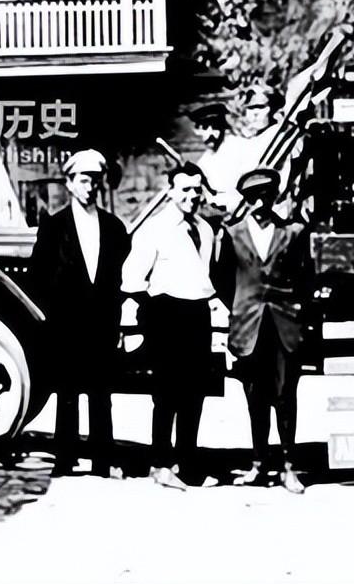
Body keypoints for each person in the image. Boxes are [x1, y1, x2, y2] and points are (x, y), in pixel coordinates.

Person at [123, 161, 227, 490]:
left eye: (197, 189)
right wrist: (150, 314)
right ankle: (160, 464)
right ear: (170, 191)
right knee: (167, 394)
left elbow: (206, 277)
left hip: (197, 314)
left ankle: (189, 465)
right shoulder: (155, 229)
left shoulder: (205, 229)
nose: (192, 196)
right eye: (185, 189)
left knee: (194, 394)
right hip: (165, 313)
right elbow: (131, 278)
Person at [27, 149, 129, 477]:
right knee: (67, 392)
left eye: (95, 182)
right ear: (69, 184)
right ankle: (65, 458)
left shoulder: (114, 228)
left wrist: (118, 323)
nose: (90, 188)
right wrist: (51, 322)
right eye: (84, 181)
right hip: (66, 326)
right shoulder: (54, 228)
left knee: (101, 393)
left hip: (102, 324)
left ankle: (102, 460)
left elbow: (120, 278)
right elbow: (37, 278)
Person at [222, 167, 311, 494]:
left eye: (265, 196)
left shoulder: (293, 232)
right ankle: (258, 463)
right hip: (248, 327)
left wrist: (295, 307)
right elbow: (222, 278)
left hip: (284, 324)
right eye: (252, 198)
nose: (259, 203)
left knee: (286, 395)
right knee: (254, 397)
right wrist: (241, 306)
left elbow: (306, 277)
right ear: (245, 200)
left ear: (274, 197)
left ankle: (290, 466)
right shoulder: (232, 234)